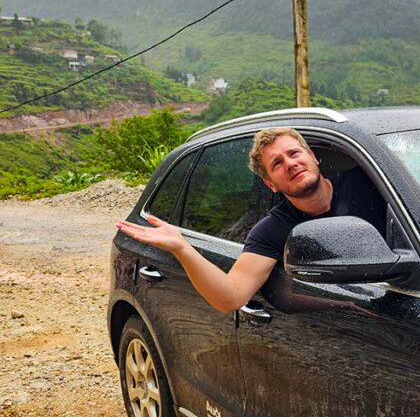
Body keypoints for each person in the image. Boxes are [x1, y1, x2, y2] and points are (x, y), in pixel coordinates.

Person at [115, 127, 372, 313]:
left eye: (294, 153)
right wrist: (182, 248)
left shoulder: (371, 187)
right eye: (277, 163)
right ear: (270, 184)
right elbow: (231, 296)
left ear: (313, 157)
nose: (290, 164)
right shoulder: (274, 229)